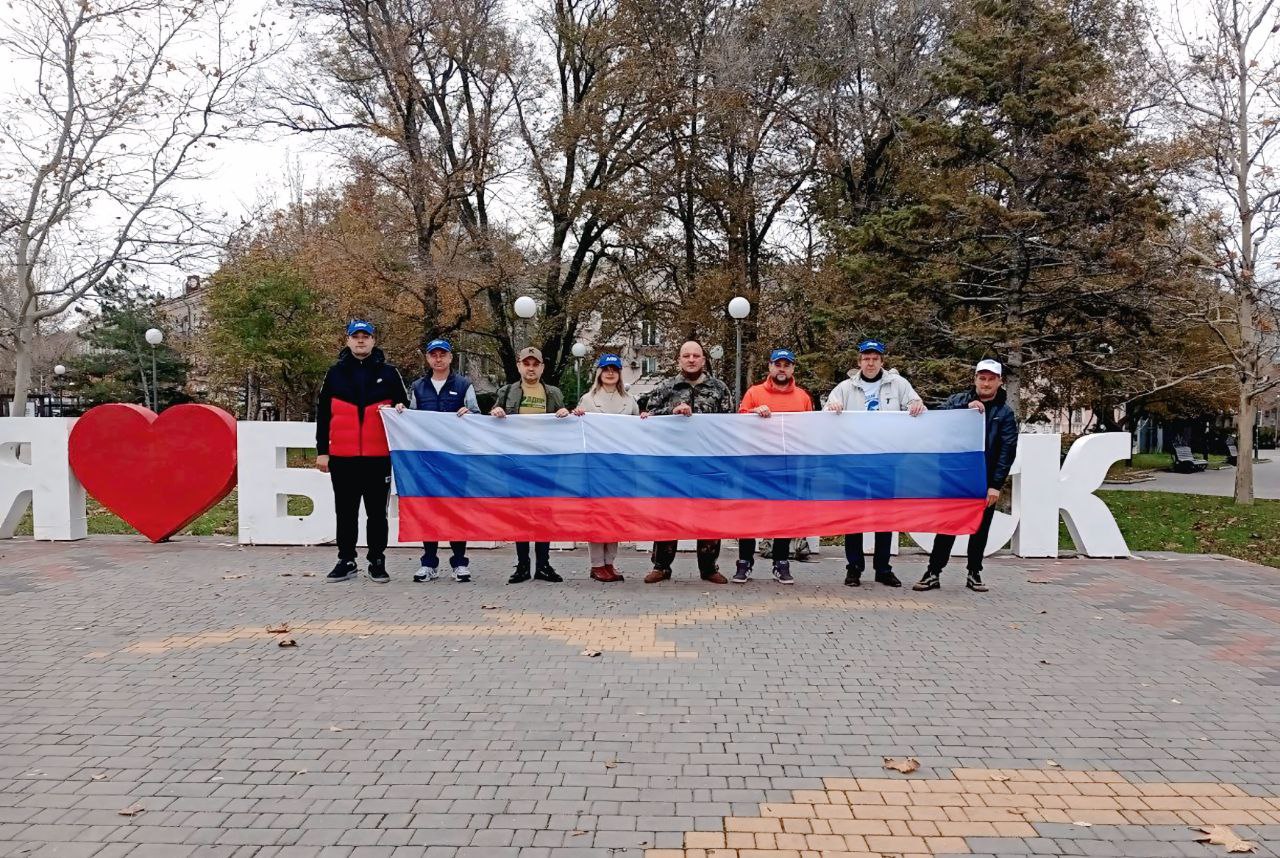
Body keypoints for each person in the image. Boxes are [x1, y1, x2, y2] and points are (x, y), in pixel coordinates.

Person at [825, 338, 926, 588]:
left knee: (885, 516)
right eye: (866, 359)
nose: (870, 363)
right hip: (854, 463)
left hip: (886, 461)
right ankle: (854, 568)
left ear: (882, 361)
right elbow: (827, 410)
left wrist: (916, 404)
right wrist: (831, 406)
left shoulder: (898, 384)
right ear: (859, 361)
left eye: (875, 359)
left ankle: (883, 568)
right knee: (853, 517)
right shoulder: (846, 387)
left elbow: (914, 404)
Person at [315, 320, 409, 583]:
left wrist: (402, 408)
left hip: (378, 457)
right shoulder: (334, 373)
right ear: (347, 341)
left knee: (376, 513)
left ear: (373, 341)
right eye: (355, 336)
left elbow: (404, 408)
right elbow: (323, 415)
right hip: (343, 457)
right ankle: (346, 559)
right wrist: (323, 451)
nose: (360, 341)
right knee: (345, 511)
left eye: (365, 336)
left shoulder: (389, 373)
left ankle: (377, 561)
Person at [914, 359, 1019, 593]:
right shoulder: (957, 401)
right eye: (982, 378)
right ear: (975, 379)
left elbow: (1006, 452)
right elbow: (936, 424)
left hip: (984, 481)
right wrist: (964, 410)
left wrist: (995, 485)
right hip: (955, 478)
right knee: (947, 526)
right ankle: (933, 572)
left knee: (980, 528)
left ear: (999, 382)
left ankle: (974, 572)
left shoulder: (1005, 413)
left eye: (991, 379)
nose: (986, 383)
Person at [640, 340, 734, 584]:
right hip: (673, 466)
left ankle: (708, 567)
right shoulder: (665, 388)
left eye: (696, 355)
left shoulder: (719, 388)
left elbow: (730, 425)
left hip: (708, 465)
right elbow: (648, 421)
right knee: (668, 514)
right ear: (679, 359)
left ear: (703, 360)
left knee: (709, 515)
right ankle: (661, 566)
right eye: (686, 355)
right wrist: (671, 414)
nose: (691, 359)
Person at [491, 347, 570, 584]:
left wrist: (565, 413)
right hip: (516, 463)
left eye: (535, 364)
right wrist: (495, 411)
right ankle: (523, 565)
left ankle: (543, 565)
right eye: (527, 363)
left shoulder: (553, 393)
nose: (531, 368)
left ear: (542, 367)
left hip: (545, 463)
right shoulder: (506, 392)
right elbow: (492, 421)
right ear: (519, 366)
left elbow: (564, 421)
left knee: (544, 512)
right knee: (520, 514)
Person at [734, 348, 813, 585]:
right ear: (769, 367)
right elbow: (738, 423)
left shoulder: (803, 397)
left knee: (784, 513)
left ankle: (781, 561)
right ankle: (744, 561)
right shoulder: (754, 393)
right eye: (777, 364)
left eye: (786, 365)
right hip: (756, 465)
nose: (781, 369)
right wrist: (752, 413)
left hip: (788, 466)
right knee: (749, 513)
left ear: (792, 369)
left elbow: (810, 430)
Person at [409, 338, 480, 583]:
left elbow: (477, 415)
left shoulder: (463, 385)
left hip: (456, 460)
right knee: (428, 510)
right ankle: (428, 562)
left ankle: (459, 562)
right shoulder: (418, 387)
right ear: (428, 358)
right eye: (433, 355)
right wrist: (399, 413)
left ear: (450, 357)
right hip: (428, 461)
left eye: (443, 354)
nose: (438, 359)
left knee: (456, 510)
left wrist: (469, 414)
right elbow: (411, 420)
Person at [572, 353, 640, 583]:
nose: (610, 372)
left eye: (614, 369)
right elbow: (577, 431)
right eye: (606, 368)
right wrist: (576, 417)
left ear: (620, 373)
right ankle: (596, 564)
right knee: (597, 515)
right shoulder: (588, 399)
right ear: (599, 372)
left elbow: (638, 431)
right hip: (596, 466)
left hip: (621, 466)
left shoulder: (629, 400)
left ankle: (610, 562)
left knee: (615, 515)